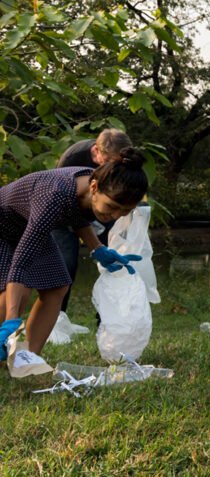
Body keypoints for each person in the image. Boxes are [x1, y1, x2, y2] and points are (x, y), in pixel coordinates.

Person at [0, 149, 148, 374]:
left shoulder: (93, 183)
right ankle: (4, 341)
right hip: (3, 224)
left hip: (28, 224)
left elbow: (77, 215)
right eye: (111, 207)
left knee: (57, 285)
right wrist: (12, 320)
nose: (115, 216)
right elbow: (20, 263)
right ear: (95, 188)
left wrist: (98, 249)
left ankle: (27, 360)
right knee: (15, 294)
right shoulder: (54, 196)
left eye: (124, 211)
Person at [52, 129, 134, 314]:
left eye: (117, 164)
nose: (113, 168)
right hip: (65, 214)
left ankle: (107, 319)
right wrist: (88, 232)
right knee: (66, 263)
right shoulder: (73, 158)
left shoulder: (124, 161)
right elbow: (60, 199)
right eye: (108, 162)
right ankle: (57, 318)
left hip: (104, 212)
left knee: (114, 260)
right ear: (96, 151)